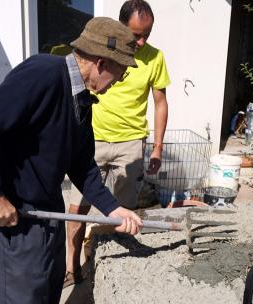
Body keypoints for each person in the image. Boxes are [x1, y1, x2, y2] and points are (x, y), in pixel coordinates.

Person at [0, 17, 142, 304]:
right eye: (121, 69)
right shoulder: (43, 76)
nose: (121, 78)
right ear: (101, 62)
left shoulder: (81, 100)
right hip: (18, 222)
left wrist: (113, 208)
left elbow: (82, 165)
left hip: (48, 214)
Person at [65, 0, 170, 288]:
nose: (141, 41)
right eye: (136, 34)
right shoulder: (102, 53)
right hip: (92, 141)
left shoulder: (155, 58)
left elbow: (160, 103)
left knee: (123, 213)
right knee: (77, 209)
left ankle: (117, 274)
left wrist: (157, 147)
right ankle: (73, 268)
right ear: (120, 27)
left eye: (147, 33)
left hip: (131, 144)